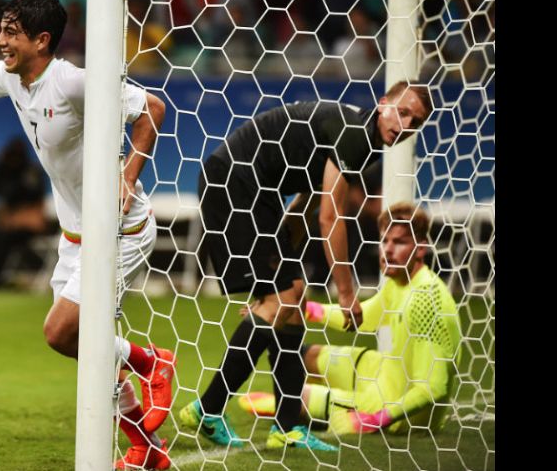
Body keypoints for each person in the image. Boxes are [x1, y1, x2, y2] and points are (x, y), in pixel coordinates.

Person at [0, 0, 172, 469]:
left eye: (11, 33)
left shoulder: (72, 82)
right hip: (75, 238)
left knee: (61, 331)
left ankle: (151, 360)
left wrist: (127, 176)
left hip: (122, 232)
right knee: (72, 343)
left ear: (41, 40)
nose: (0, 41)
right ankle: (147, 448)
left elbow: (151, 108)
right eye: (2, 31)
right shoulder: (16, 80)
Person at [179, 81, 432, 450]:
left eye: (416, 123)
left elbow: (309, 199)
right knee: (285, 296)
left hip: (255, 191)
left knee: (292, 301)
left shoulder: (361, 138)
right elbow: (331, 218)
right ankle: (208, 408)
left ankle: (286, 428)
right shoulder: (356, 135)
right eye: (403, 112)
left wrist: (275, 270)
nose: (405, 125)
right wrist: (347, 293)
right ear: (383, 104)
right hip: (234, 182)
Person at [238, 202, 462, 436]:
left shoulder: (426, 300)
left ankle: (294, 403)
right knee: (304, 356)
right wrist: (296, 307)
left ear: (421, 249)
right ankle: (299, 398)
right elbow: (360, 318)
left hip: (398, 408)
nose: (387, 250)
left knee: (297, 396)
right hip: (382, 371)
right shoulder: (400, 283)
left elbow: (433, 389)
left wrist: (376, 419)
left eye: (399, 242)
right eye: (385, 241)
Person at [0, 136, 48, 288]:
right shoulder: (3, 169)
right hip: (9, 222)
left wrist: (18, 218)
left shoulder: (31, 171)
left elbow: (36, 199)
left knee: (3, 240)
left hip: (28, 223)